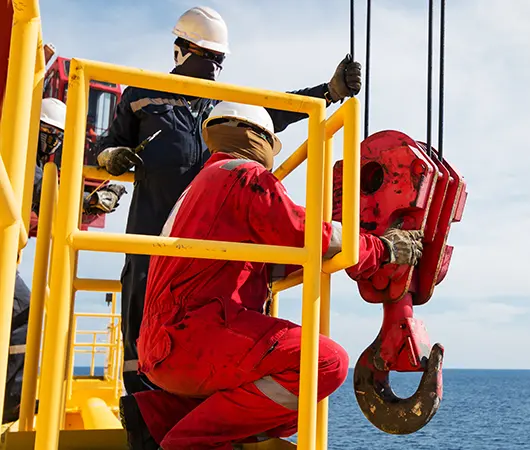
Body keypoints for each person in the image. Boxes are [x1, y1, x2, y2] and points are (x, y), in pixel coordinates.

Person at [117, 102, 423, 449]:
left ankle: (158, 415)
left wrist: (346, 256)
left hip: (163, 350)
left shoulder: (201, 187)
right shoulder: (244, 176)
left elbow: (274, 257)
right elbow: (302, 232)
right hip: (195, 337)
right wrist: (381, 249)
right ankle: (186, 440)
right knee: (324, 363)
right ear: (260, 140)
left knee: (279, 395)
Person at [93, 5, 364, 396]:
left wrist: (328, 92)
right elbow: (107, 142)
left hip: (213, 246)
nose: (214, 68)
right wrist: (110, 158)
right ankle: (143, 419)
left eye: (219, 59)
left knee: (224, 324)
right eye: (208, 56)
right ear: (180, 50)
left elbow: (276, 108)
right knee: (141, 336)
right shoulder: (141, 95)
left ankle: (205, 412)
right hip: (151, 238)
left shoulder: (222, 101)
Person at [2, 97, 126, 423]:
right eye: (48, 133)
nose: (52, 142)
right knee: (22, 315)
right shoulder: (20, 153)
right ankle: (11, 404)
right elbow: (47, 197)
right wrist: (93, 201)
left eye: (58, 136)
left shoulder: (23, 153)